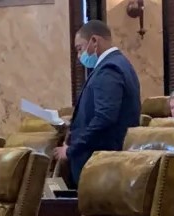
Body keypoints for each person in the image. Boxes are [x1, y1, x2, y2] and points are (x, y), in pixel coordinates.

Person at [53, 20, 141, 188]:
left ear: (94, 41)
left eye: (80, 48)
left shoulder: (109, 69)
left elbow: (104, 118)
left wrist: (71, 149)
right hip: (103, 161)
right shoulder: (119, 64)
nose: (79, 56)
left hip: (101, 163)